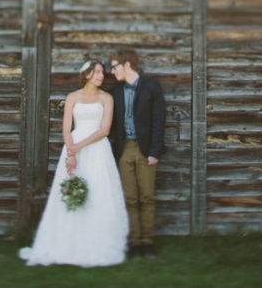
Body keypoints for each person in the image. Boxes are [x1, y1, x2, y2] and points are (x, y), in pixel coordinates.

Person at [18, 58, 128, 267]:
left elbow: (104, 130)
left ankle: (97, 243)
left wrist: (80, 146)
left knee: (98, 191)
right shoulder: (72, 97)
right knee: (70, 191)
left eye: (102, 72)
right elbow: (67, 129)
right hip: (74, 149)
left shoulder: (107, 98)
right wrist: (71, 152)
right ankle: (65, 242)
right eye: (96, 72)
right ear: (86, 74)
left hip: (97, 148)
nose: (101, 76)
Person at [109, 47, 166, 260]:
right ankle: (134, 243)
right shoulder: (115, 92)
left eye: (114, 67)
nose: (112, 71)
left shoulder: (152, 87)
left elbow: (159, 121)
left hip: (145, 151)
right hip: (124, 150)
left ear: (126, 65)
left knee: (147, 198)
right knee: (130, 198)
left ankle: (147, 243)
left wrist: (154, 151)